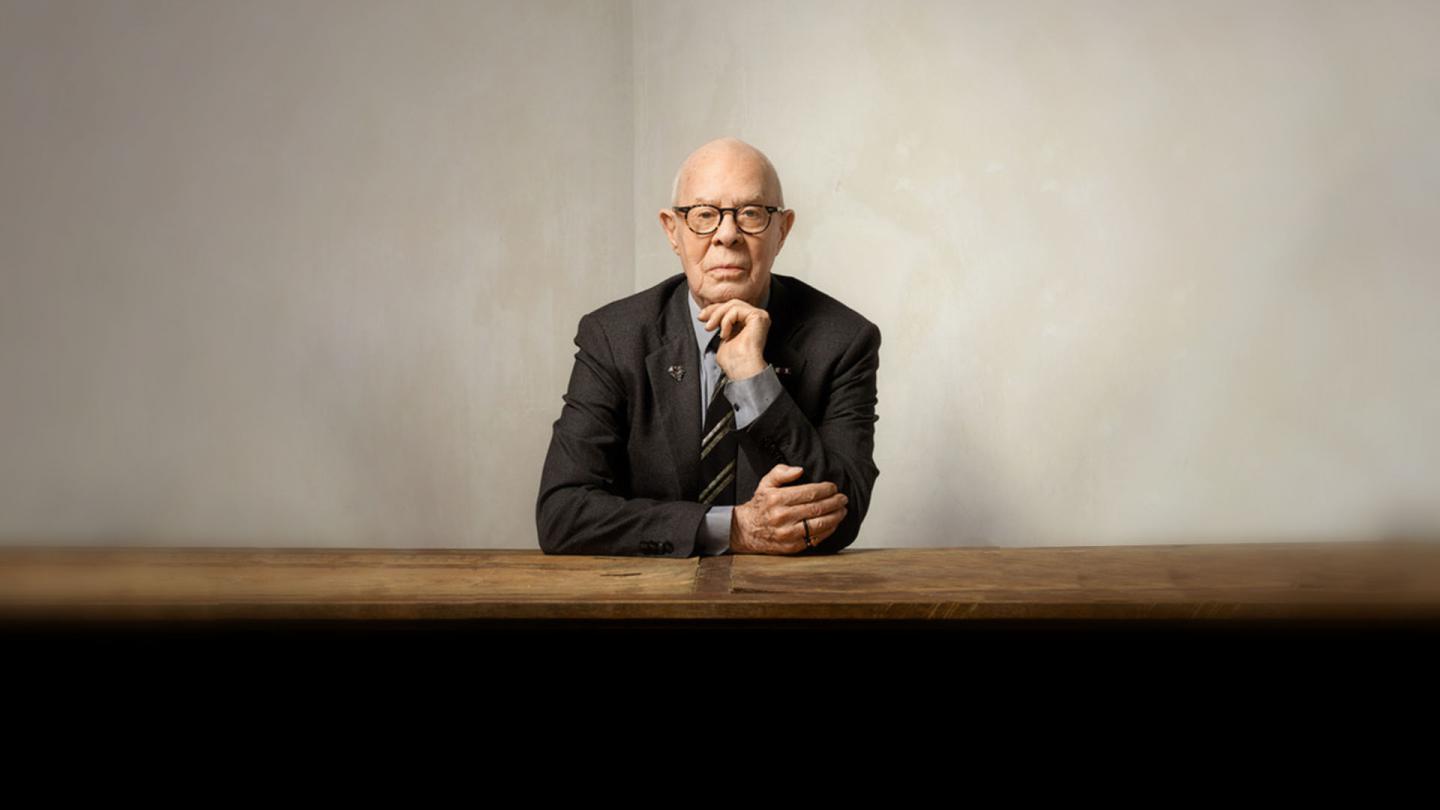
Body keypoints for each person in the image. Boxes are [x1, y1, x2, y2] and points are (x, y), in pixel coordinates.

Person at [536, 137, 881, 557]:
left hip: (784, 595)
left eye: (751, 213)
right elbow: (562, 514)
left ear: (782, 230)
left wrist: (755, 379)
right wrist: (731, 528)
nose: (727, 235)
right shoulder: (613, 336)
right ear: (672, 230)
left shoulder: (844, 340)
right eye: (704, 214)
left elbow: (839, 516)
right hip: (644, 594)